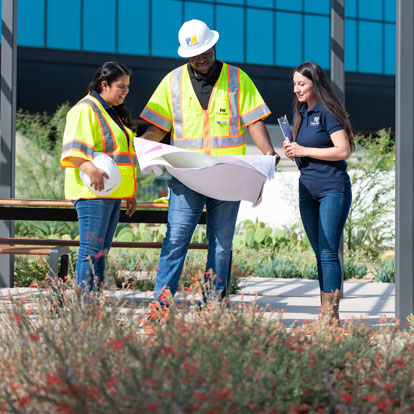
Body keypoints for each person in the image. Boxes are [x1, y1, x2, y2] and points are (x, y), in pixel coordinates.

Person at [139, 19, 280, 304]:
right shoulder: (172, 81)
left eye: (206, 52)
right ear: (186, 54)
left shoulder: (237, 79)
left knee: (221, 245)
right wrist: (140, 147)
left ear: (214, 45)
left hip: (226, 177)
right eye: (195, 54)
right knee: (176, 239)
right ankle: (161, 305)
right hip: (187, 176)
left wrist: (267, 151)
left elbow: (253, 120)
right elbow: (157, 128)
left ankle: (212, 306)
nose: (202, 58)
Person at [283, 61, 354, 322]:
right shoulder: (302, 113)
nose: (297, 89)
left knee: (327, 253)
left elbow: (342, 151)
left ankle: (330, 317)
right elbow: (307, 158)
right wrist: (294, 151)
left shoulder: (328, 112)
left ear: (316, 83)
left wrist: (304, 150)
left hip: (332, 191)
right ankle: (327, 315)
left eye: (301, 84)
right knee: (320, 254)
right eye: (294, 85)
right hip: (307, 192)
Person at [60, 61, 138, 291]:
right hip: (92, 192)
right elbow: (72, 151)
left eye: (127, 87)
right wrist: (91, 170)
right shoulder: (85, 109)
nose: (125, 91)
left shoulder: (109, 112)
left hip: (110, 193)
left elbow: (120, 158)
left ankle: (93, 304)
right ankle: (84, 305)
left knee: (100, 250)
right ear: (104, 85)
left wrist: (129, 194)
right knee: (92, 249)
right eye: (121, 86)